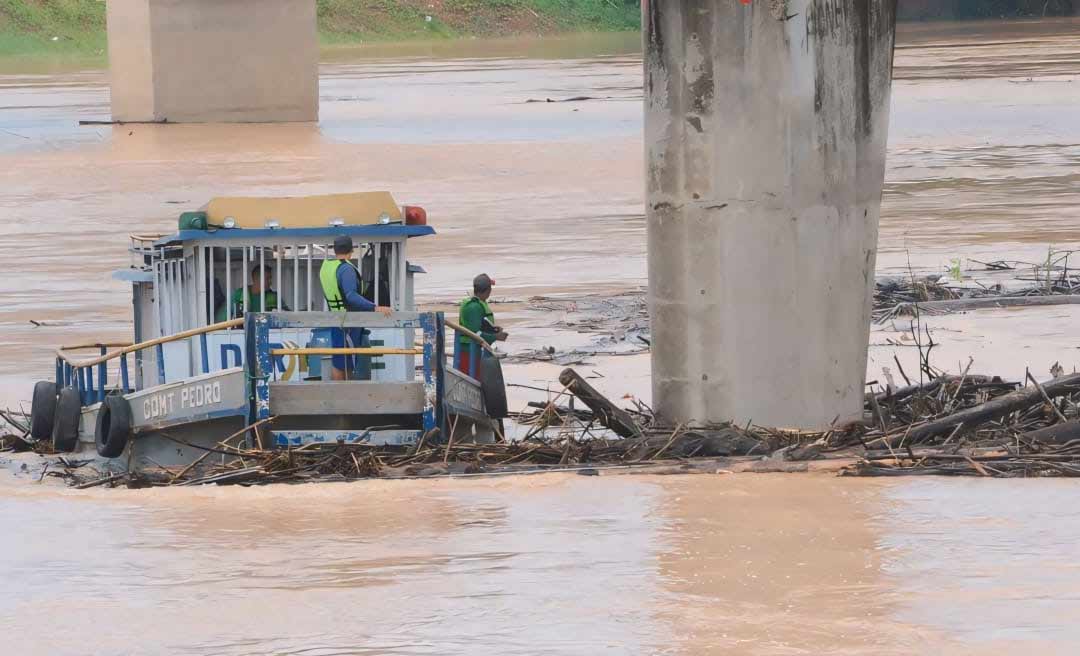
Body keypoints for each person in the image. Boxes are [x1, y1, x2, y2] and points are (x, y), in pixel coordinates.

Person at [320, 236, 392, 380]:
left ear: (335, 250)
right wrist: (374, 307)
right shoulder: (346, 269)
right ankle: (344, 396)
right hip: (348, 321)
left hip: (336, 319)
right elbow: (351, 296)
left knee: (338, 361)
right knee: (346, 363)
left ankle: (339, 395)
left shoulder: (327, 267)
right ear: (351, 250)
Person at [457, 273, 507, 377]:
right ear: (488, 290)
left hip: (475, 350)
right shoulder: (473, 307)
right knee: (471, 377)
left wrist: (494, 329)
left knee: (477, 377)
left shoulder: (478, 304)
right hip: (468, 351)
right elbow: (475, 334)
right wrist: (496, 336)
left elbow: (480, 325)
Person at [216, 264, 288, 321]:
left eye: (270, 278)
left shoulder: (273, 296)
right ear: (255, 279)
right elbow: (222, 318)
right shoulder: (240, 294)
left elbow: (288, 315)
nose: (270, 282)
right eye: (267, 278)